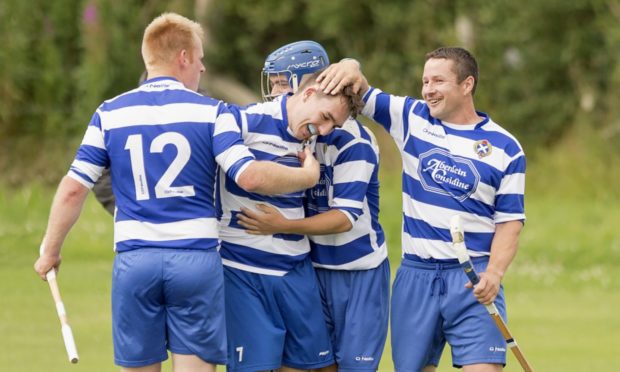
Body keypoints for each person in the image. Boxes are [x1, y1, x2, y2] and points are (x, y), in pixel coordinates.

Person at [34, 12, 321, 372]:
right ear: (183, 57)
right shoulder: (212, 111)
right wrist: (307, 176)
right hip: (195, 261)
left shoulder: (108, 112)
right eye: (199, 60)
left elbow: (74, 189)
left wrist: (51, 250)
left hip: (135, 261)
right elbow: (249, 176)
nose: (201, 70)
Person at [318, 47, 526, 371]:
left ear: (467, 84)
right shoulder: (411, 117)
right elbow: (358, 86)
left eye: (438, 81)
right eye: (425, 81)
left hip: (472, 279)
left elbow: (510, 222)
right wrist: (349, 64)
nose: (428, 89)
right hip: (416, 275)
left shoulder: (506, 148)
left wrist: (495, 274)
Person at [236, 40, 390, 372]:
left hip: (357, 270)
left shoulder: (353, 142)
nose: (275, 90)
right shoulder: (299, 129)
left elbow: (343, 219)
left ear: (307, 84)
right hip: (313, 267)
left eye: (280, 81)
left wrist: (281, 225)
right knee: (312, 363)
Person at [218, 63, 364, 371]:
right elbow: (251, 178)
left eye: (333, 126)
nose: (323, 131)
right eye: (325, 118)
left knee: (321, 366)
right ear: (308, 94)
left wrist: (352, 64)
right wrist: (308, 177)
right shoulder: (240, 119)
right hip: (243, 269)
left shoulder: (311, 132)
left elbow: (347, 77)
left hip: (296, 268)